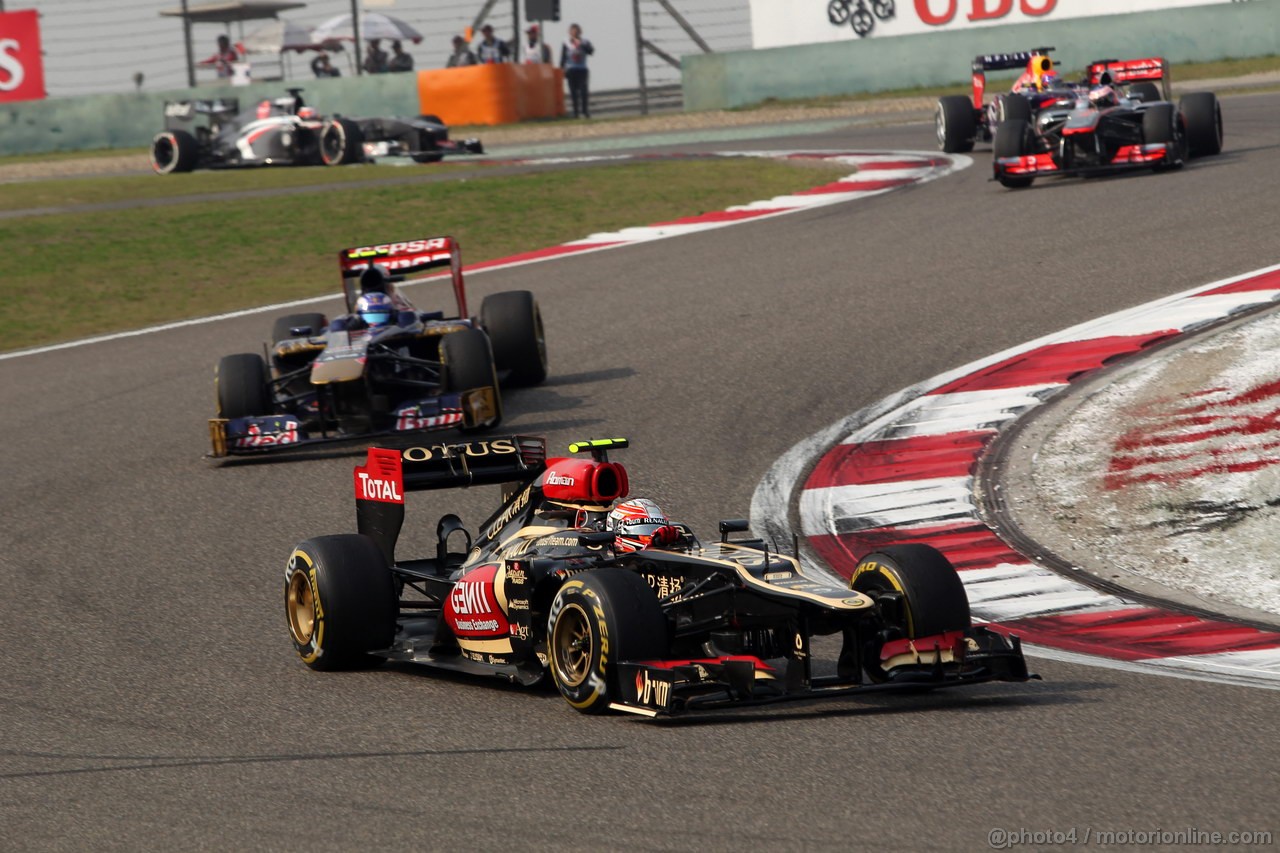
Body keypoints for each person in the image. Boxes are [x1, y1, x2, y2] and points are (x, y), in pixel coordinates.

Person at [606, 498, 682, 553]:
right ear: (619, 530)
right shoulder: (604, 562)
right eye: (645, 529)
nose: (652, 536)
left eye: (655, 529)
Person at [560, 23, 594, 118]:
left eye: (576, 31)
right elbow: (563, 57)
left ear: (580, 32)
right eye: (572, 31)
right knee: (573, 92)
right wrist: (562, 70)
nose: (574, 33)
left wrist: (582, 45)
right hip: (571, 70)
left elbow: (591, 51)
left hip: (582, 69)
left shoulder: (585, 41)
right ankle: (576, 112)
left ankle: (585, 110)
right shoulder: (566, 43)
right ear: (570, 32)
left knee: (583, 90)